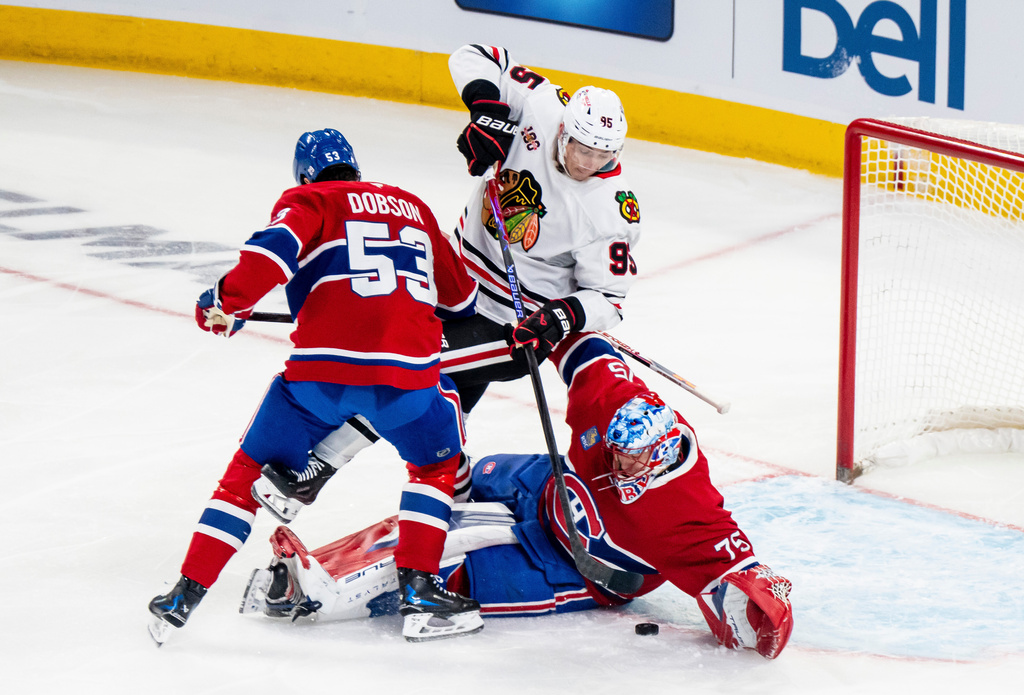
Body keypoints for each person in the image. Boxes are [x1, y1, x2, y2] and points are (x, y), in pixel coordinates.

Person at [252, 43, 644, 523]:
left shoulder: (610, 210)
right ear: (563, 129)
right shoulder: (543, 105)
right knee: (441, 397)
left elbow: (609, 298)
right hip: (451, 280)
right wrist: (487, 111)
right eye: (582, 149)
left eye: (603, 154)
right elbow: (475, 54)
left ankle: (322, 467)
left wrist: (561, 317)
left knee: (411, 372)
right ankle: (451, 494)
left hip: (512, 324)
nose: (589, 163)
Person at [241, 335, 795, 659]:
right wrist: (555, 326)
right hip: (543, 485)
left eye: (630, 460)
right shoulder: (616, 405)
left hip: (571, 566)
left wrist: (763, 605)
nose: (618, 464)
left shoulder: (691, 517)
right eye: (616, 453)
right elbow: (589, 351)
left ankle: (322, 591)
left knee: (458, 573)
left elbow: (748, 606)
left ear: (661, 452)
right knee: (450, 492)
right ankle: (380, 541)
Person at [147, 128, 484, 645]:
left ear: (305, 175)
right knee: (435, 464)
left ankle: (183, 596)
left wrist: (225, 300)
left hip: (319, 382)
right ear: (355, 167)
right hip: (409, 385)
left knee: (242, 480)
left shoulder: (309, 198)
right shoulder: (413, 205)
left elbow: (272, 254)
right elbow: (461, 302)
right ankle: (420, 590)